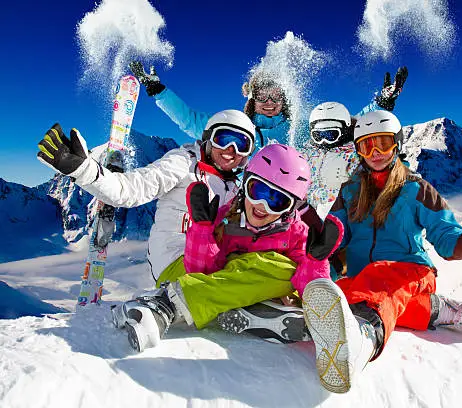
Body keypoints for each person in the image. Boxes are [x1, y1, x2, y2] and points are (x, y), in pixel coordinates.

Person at [299, 110, 462, 393]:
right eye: (367, 145)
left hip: (409, 271)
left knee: (377, 280)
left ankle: (363, 338)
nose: (376, 152)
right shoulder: (350, 191)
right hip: (363, 279)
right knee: (341, 290)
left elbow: (447, 242)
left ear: (398, 144)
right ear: (358, 150)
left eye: (384, 142)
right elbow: (336, 232)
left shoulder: (417, 190)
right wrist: (318, 251)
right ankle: (434, 310)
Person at [110, 144, 344, 350]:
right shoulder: (225, 219)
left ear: (290, 208)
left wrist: (315, 262)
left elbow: (310, 290)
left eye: (277, 200)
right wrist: (202, 230)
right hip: (216, 282)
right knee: (278, 268)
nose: (262, 205)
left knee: (287, 270)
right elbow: (200, 272)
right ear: (245, 185)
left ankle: (247, 310)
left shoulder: (296, 233)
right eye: (258, 190)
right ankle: (169, 304)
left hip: (257, 290)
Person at [36, 109, 258, 284]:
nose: (231, 150)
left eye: (241, 144)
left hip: (212, 259)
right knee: (240, 280)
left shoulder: (237, 185)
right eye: (224, 139)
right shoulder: (183, 163)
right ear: (209, 139)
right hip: (177, 260)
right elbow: (132, 189)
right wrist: (84, 170)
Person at [303, 67, 408, 218]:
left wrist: (383, 103)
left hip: (341, 218)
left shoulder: (356, 152)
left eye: (331, 134)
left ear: (345, 130)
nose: (325, 141)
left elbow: (365, 120)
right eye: (318, 135)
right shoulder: (308, 151)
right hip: (307, 220)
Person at [129, 62, 291, 148]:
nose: (269, 102)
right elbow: (190, 121)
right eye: (262, 96)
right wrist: (160, 92)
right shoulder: (235, 127)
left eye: (276, 96)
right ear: (251, 99)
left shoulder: (294, 128)